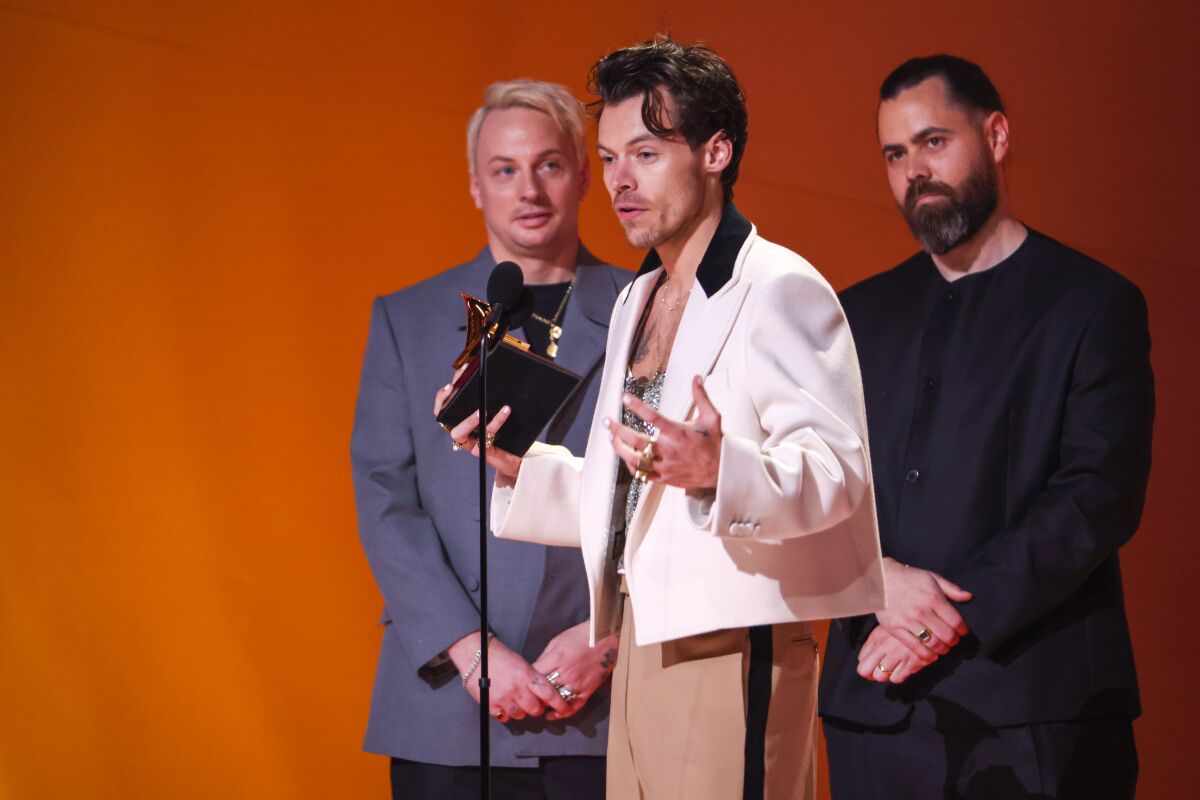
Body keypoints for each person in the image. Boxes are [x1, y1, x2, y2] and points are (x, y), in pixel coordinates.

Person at [441, 39, 885, 800]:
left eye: (645, 153)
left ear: (717, 151)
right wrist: (527, 471)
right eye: (610, 158)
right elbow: (639, 484)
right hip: (641, 639)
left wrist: (724, 469)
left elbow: (837, 469)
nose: (619, 181)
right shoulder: (637, 298)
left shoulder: (779, 286)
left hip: (732, 643)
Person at [818, 55, 1154, 799]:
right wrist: (879, 583)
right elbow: (816, 486)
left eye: (934, 142)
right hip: (874, 710)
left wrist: (937, 615)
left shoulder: (1094, 304)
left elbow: (1097, 496)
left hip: (1040, 712)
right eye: (895, 155)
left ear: (996, 135)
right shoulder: (852, 317)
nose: (915, 172)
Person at [351, 79, 629, 800]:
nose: (528, 189)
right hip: (446, 706)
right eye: (504, 169)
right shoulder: (406, 321)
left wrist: (609, 640)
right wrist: (474, 653)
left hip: (601, 701)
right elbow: (387, 501)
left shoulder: (650, 311)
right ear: (476, 186)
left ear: (584, 175)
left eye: (549, 165)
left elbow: (674, 500)